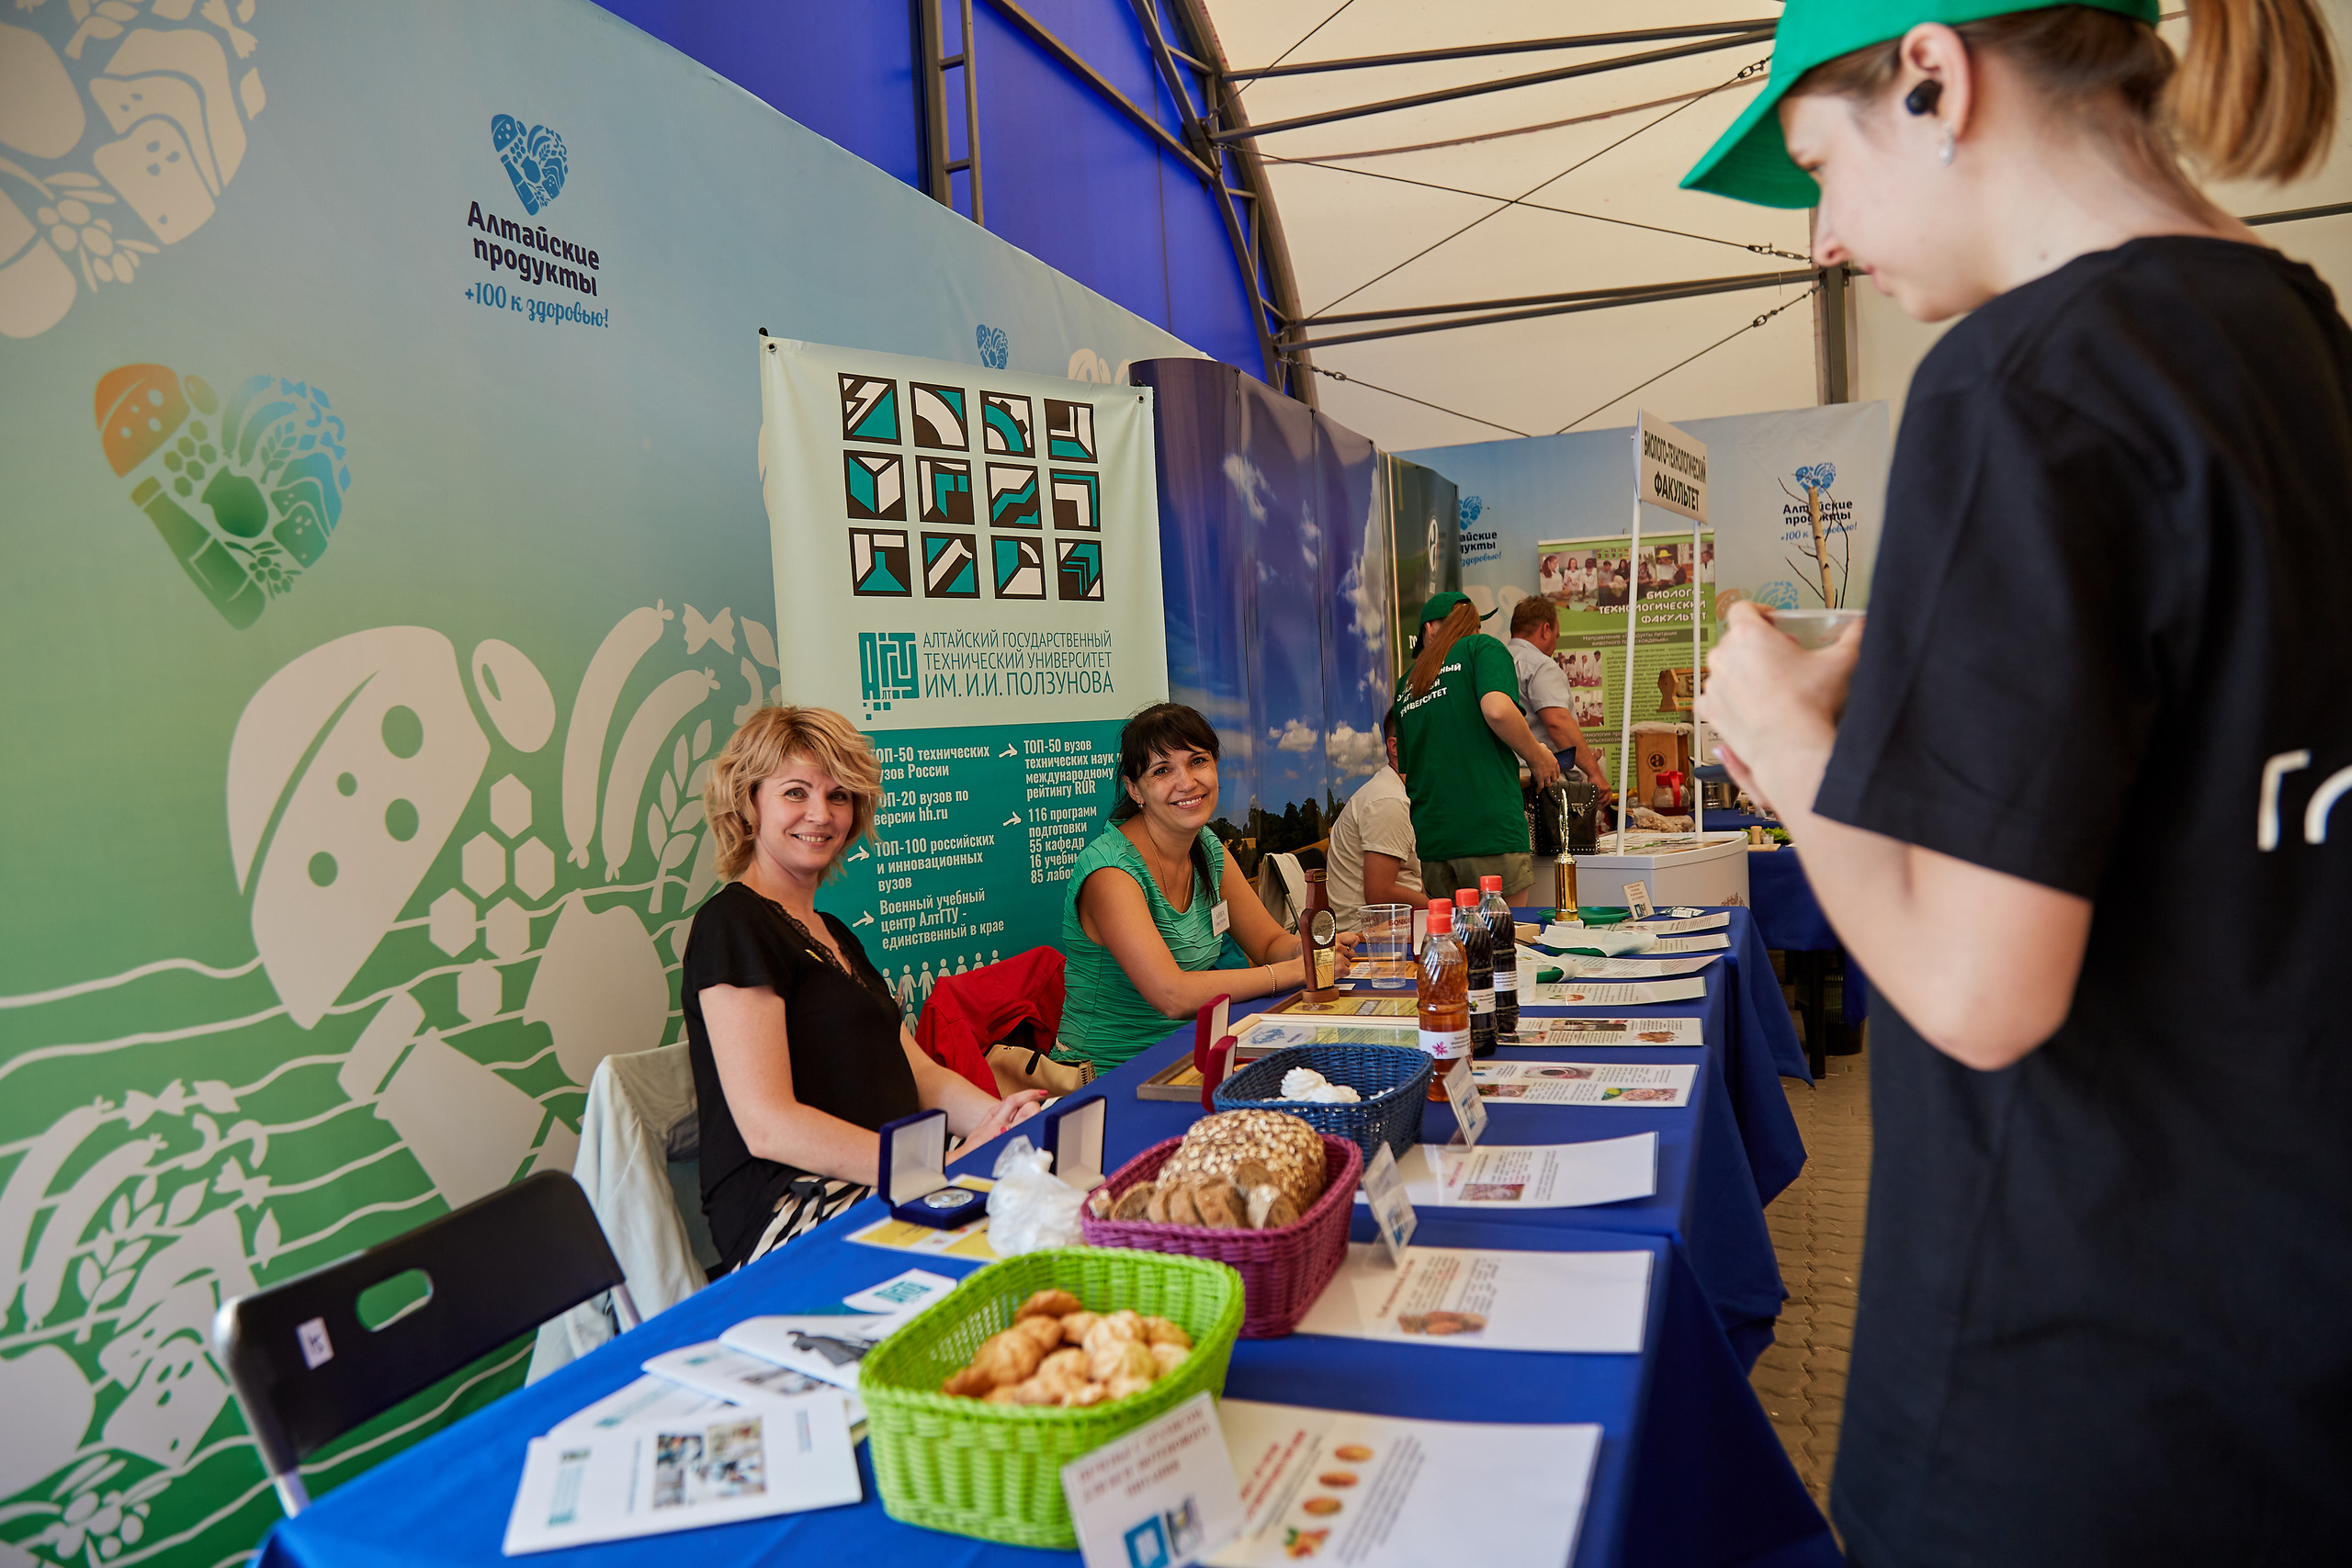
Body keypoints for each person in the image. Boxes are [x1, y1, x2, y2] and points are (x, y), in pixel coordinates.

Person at [1684, 2, 2351, 1562]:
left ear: (1934, 76)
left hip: (2075, 1389)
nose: (1824, 241)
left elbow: (1982, 991)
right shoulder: (2303, 343)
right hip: (2284, 1346)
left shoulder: (2020, 382)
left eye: (1818, 169)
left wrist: (1783, 742)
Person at [681, 706, 1044, 1276]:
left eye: (839, 796)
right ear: (749, 804)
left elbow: (920, 1075)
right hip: (795, 1209)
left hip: (889, 1176)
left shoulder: (835, 933)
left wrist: (1002, 1120)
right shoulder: (732, 924)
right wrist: (933, 1169)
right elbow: (768, 1126)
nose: (821, 814)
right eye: (795, 793)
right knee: (1017, 1252)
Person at [1056, 702, 1351, 1072]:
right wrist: (1295, 971)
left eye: (1198, 761)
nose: (1187, 782)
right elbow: (1172, 995)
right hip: (1107, 1073)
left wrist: (1312, 948)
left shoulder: (1208, 848)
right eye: (1162, 770)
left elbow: (1268, 944)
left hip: (1192, 1054)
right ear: (1134, 789)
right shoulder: (1110, 872)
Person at [1395, 592, 1561, 902]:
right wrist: (1537, 756)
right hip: (1490, 837)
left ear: (1429, 629)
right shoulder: (1482, 648)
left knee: (1454, 934)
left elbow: (1414, 773)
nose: (1477, 631)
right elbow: (1497, 710)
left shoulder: (1407, 683)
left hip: (1435, 844)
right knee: (1505, 933)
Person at [1325, 704, 1424, 931]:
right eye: (1425, 734)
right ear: (1396, 746)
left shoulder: (1398, 792)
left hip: (1391, 923)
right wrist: (1442, 907)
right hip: (1366, 933)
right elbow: (1380, 894)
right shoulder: (1389, 800)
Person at [1505, 593, 1611, 793]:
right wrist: (1594, 772)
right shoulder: (1539, 664)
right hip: (1539, 780)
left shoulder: (1494, 661)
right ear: (1546, 629)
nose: (1556, 643)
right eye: (1557, 636)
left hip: (1502, 778)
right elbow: (1557, 723)